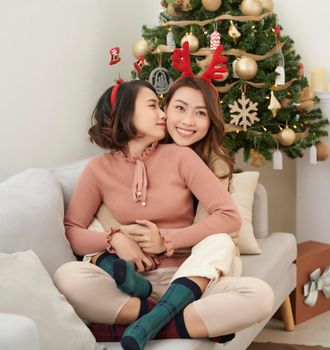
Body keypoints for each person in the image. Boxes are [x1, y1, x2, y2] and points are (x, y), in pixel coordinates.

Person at [54, 62, 274, 350]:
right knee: (66, 277)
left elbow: (229, 216)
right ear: (125, 113)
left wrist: (166, 241)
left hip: (188, 279)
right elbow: (73, 231)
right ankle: (165, 318)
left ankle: (137, 324)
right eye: (154, 107)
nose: (163, 115)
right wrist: (115, 239)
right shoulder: (98, 169)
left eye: (162, 107)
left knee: (258, 294)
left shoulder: (181, 157)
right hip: (130, 285)